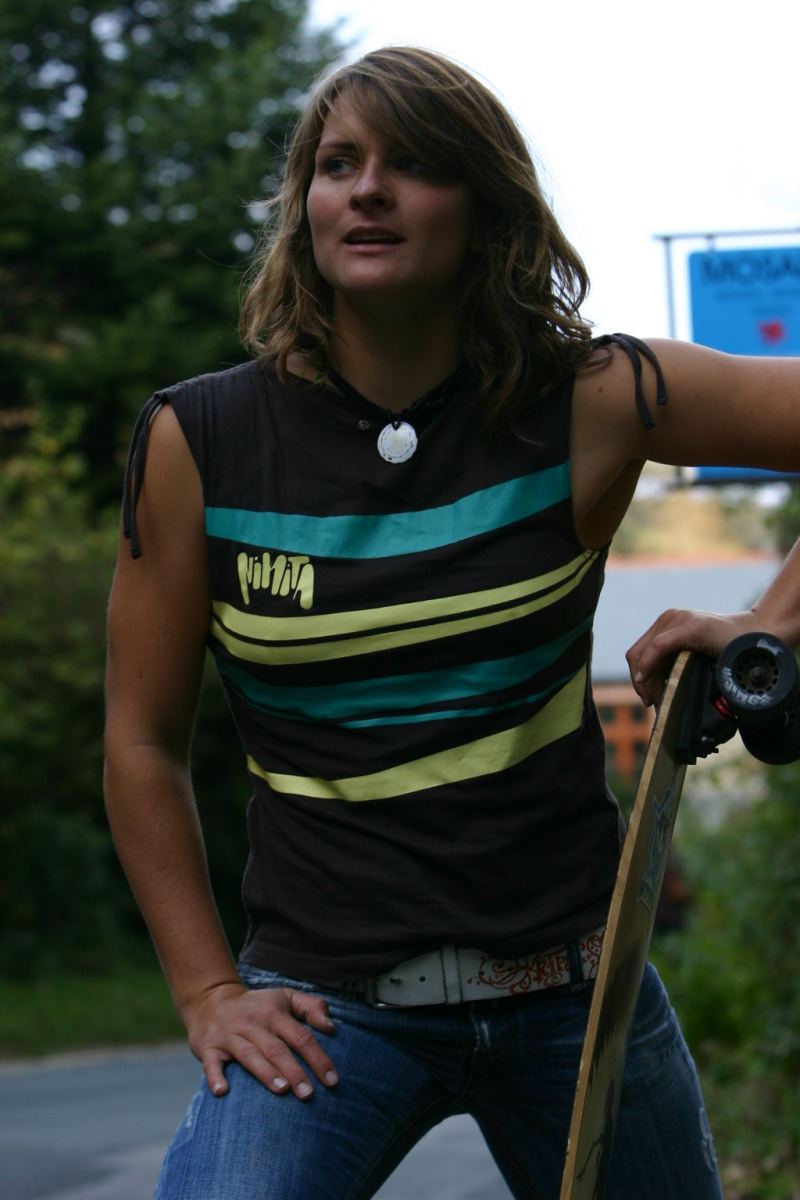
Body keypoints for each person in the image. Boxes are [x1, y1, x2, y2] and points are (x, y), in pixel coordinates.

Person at [103, 46, 800, 1200]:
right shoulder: (202, 442)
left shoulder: (591, 400)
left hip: (577, 994)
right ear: (305, 206)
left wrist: (766, 626)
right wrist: (207, 991)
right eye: (337, 165)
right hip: (324, 1013)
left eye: (413, 164)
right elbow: (139, 741)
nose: (366, 190)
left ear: (485, 210)